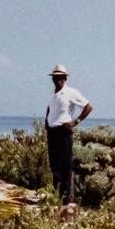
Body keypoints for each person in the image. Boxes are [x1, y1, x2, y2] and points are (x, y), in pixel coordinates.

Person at [44, 64, 93, 208]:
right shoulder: (54, 95)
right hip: (52, 132)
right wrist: (46, 122)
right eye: (55, 77)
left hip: (63, 132)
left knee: (65, 167)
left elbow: (88, 107)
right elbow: (49, 109)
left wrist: (75, 122)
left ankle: (65, 201)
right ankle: (55, 197)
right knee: (54, 166)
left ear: (65, 78)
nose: (57, 80)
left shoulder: (71, 92)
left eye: (59, 77)